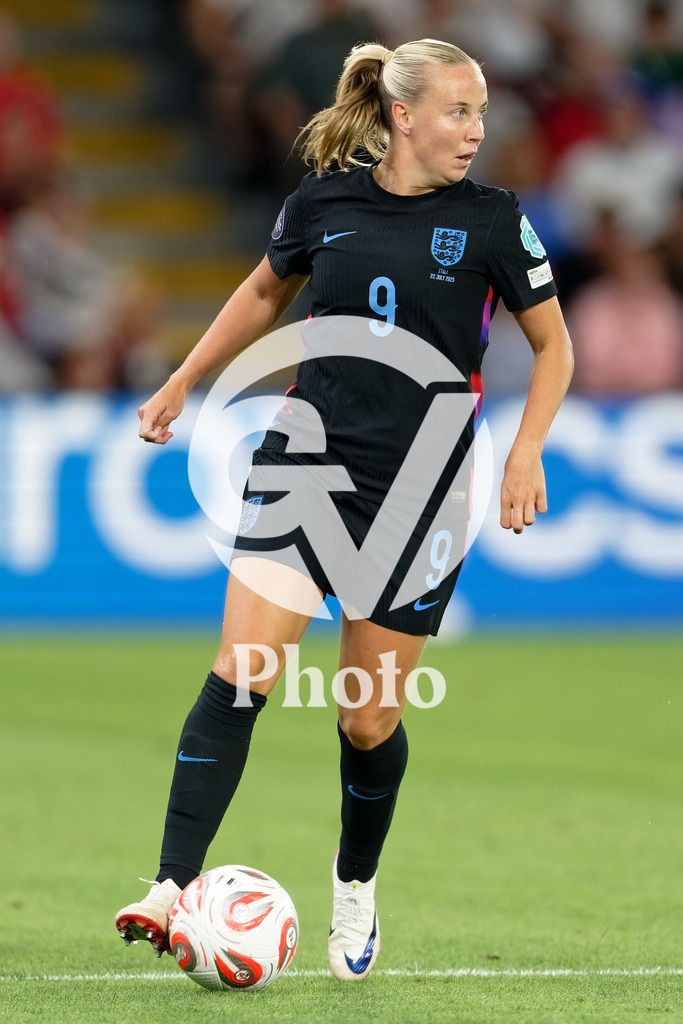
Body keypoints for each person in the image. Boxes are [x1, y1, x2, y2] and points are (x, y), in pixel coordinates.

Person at [115, 38, 574, 981]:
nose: (475, 131)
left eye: (480, 113)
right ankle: (169, 885)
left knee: (364, 719)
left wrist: (525, 449)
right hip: (307, 464)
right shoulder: (321, 202)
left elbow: (554, 347)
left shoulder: (491, 220)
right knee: (242, 671)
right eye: (457, 112)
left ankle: (355, 882)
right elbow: (258, 293)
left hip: (422, 491)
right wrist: (182, 382)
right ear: (403, 115)